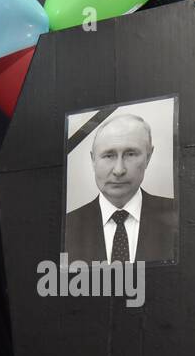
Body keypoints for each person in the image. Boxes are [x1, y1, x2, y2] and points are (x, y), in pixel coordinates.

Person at [64, 112, 178, 264]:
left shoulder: (177, 216)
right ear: (93, 160)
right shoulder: (67, 227)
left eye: (130, 154)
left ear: (148, 157)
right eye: (109, 155)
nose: (119, 170)